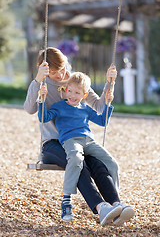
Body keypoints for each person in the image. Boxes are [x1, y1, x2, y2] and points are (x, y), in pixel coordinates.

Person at [24, 47, 134, 226]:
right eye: (52, 72)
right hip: (53, 143)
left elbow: (99, 107)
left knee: (100, 164)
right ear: (43, 69)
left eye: (61, 69)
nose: (59, 75)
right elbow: (30, 109)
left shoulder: (76, 82)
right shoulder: (42, 82)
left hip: (81, 140)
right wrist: (38, 80)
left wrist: (110, 84)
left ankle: (116, 204)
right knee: (77, 163)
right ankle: (100, 207)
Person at [38, 71, 118, 221]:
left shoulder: (85, 109)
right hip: (70, 140)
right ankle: (66, 200)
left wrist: (108, 103)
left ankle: (115, 201)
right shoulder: (59, 106)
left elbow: (103, 121)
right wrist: (41, 100)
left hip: (88, 140)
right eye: (70, 91)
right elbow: (44, 117)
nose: (72, 95)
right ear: (65, 89)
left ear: (84, 95)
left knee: (111, 162)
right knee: (75, 159)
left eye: (77, 93)